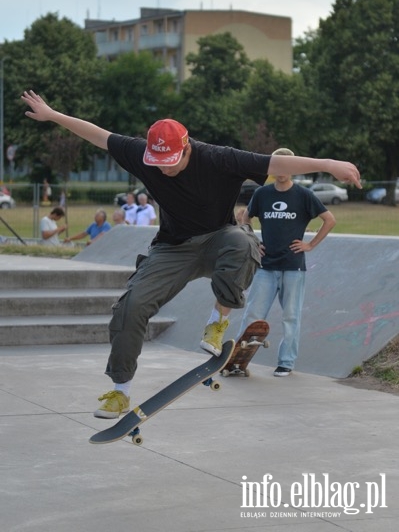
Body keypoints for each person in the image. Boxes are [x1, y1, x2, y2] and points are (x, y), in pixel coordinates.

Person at [21, 90, 361, 419]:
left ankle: (217, 322)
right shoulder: (143, 155)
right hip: (172, 249)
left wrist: (329, 164)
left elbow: (274, 162)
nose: (164, 170)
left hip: (219, 241)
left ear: (186, 150)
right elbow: (100, 135)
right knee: (131, 306)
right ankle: (120, 392)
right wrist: (52, 116)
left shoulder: (219, 158)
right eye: (159, 164)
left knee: (243, 243)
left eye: (171, 163)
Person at [238, 148, 336, 377]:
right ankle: (240, 360)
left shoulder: (303, 195)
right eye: (278, 166)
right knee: (253, 315)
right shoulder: (262, 194)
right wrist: (253, 240)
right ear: (273, 168)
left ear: (293, 168)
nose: (282, 171)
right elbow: (245, 216)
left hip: (293, 267)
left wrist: (310, 245)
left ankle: (286, 362)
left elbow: (329, 220)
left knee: (291, 317)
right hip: (266, 267)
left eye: (287, 166)